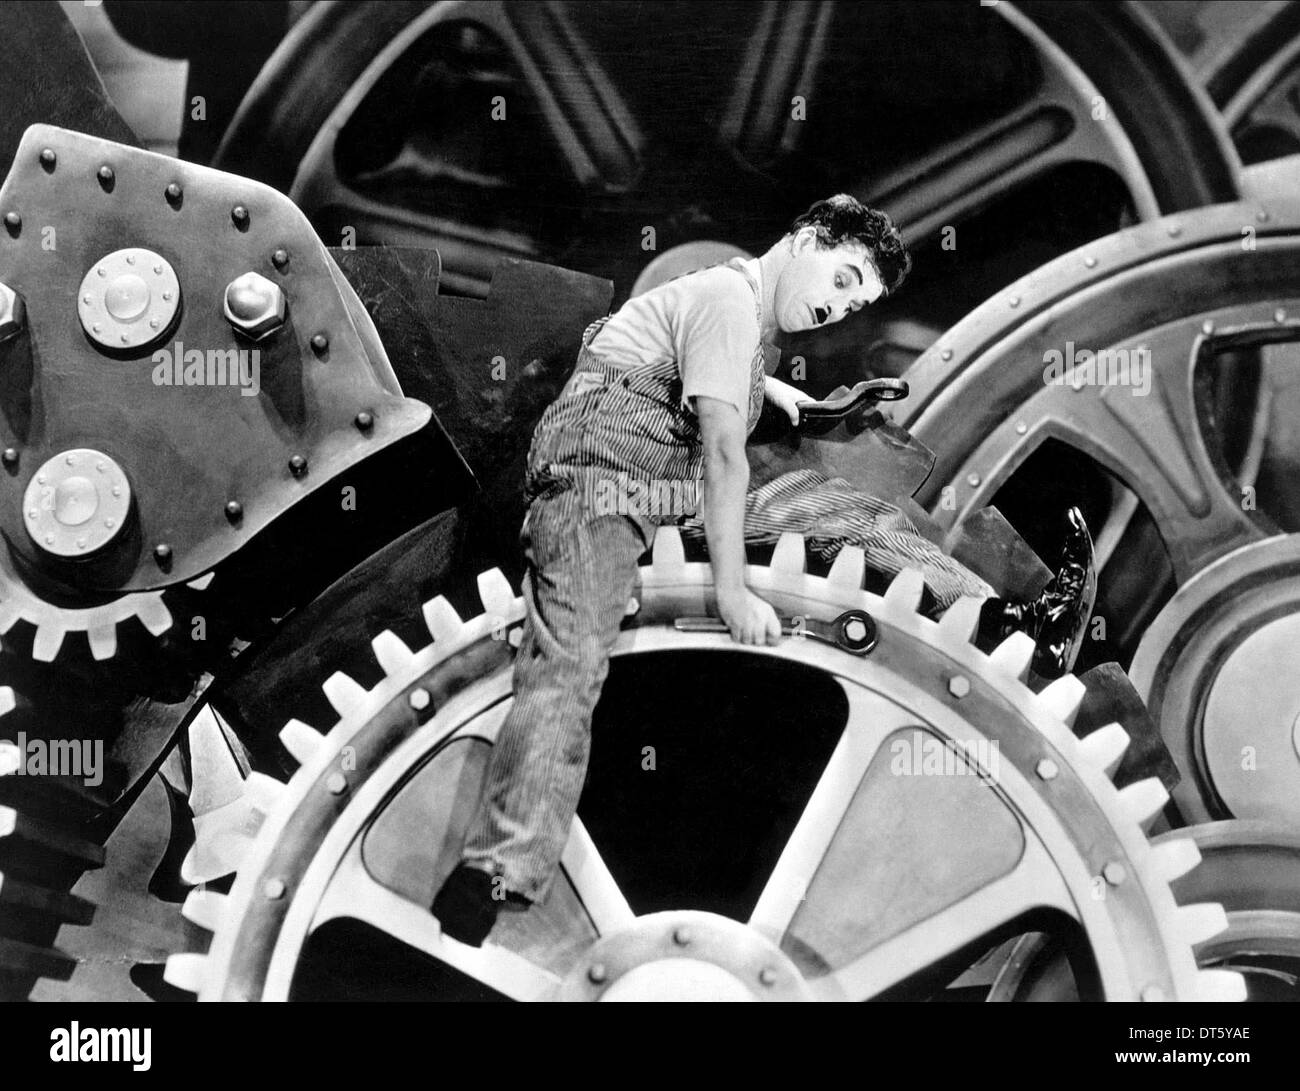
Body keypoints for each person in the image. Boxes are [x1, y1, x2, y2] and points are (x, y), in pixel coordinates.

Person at [431, 195, 1095, 945]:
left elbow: (733, 394)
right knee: (572, 654)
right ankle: (496, 871)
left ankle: (1006, 624)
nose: (837, 308)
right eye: (841, 279)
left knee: (840, 510)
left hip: (662, 491)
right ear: (806, 238)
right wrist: (731, 587)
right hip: (601, 486)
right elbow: (721, 453)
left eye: (858, 301)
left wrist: (811, 407)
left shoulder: (738, 319)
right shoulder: (724, 300)